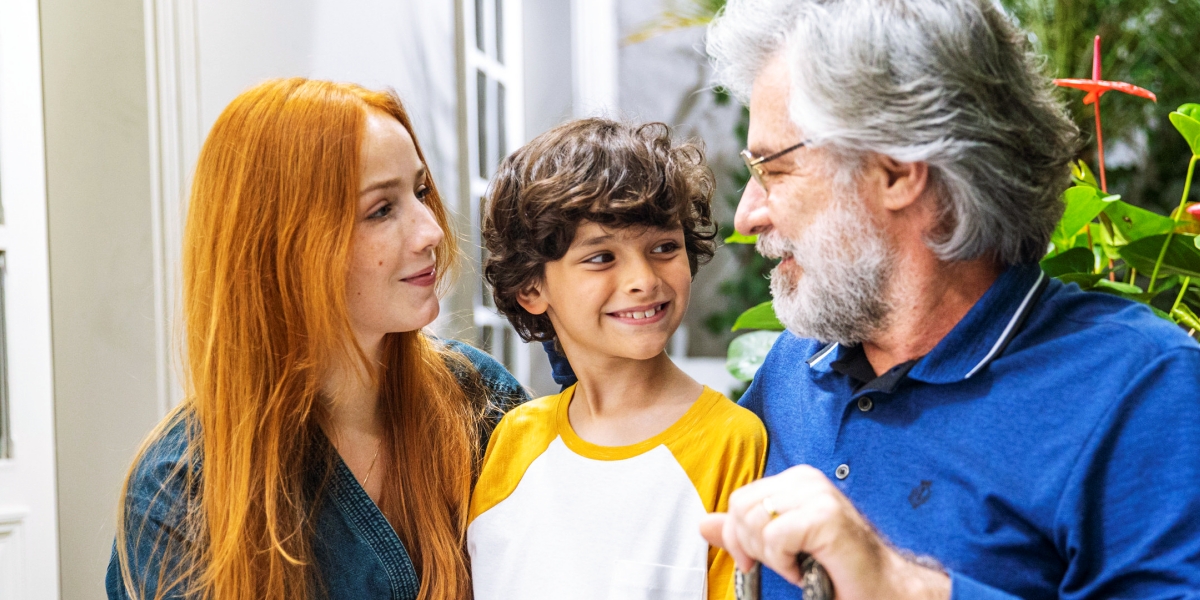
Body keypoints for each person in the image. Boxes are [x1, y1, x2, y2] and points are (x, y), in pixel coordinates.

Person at [698, 1, 1200, 599]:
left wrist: (899, 586)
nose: (748, 214)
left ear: (898, 171)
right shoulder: (793, 369)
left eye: (773, 170)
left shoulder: (1137, 387)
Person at [106, 79, 527, 600]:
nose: (431, 231)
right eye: (381, 210)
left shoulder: (480, 397)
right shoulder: (178, 492)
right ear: (283, 248)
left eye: (419, 192)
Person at [469, 118, 766, 599]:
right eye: (601, 257)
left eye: (664, 247)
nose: (644, 279)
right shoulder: (513, 442)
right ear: (531, 287)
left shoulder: (731, 443)